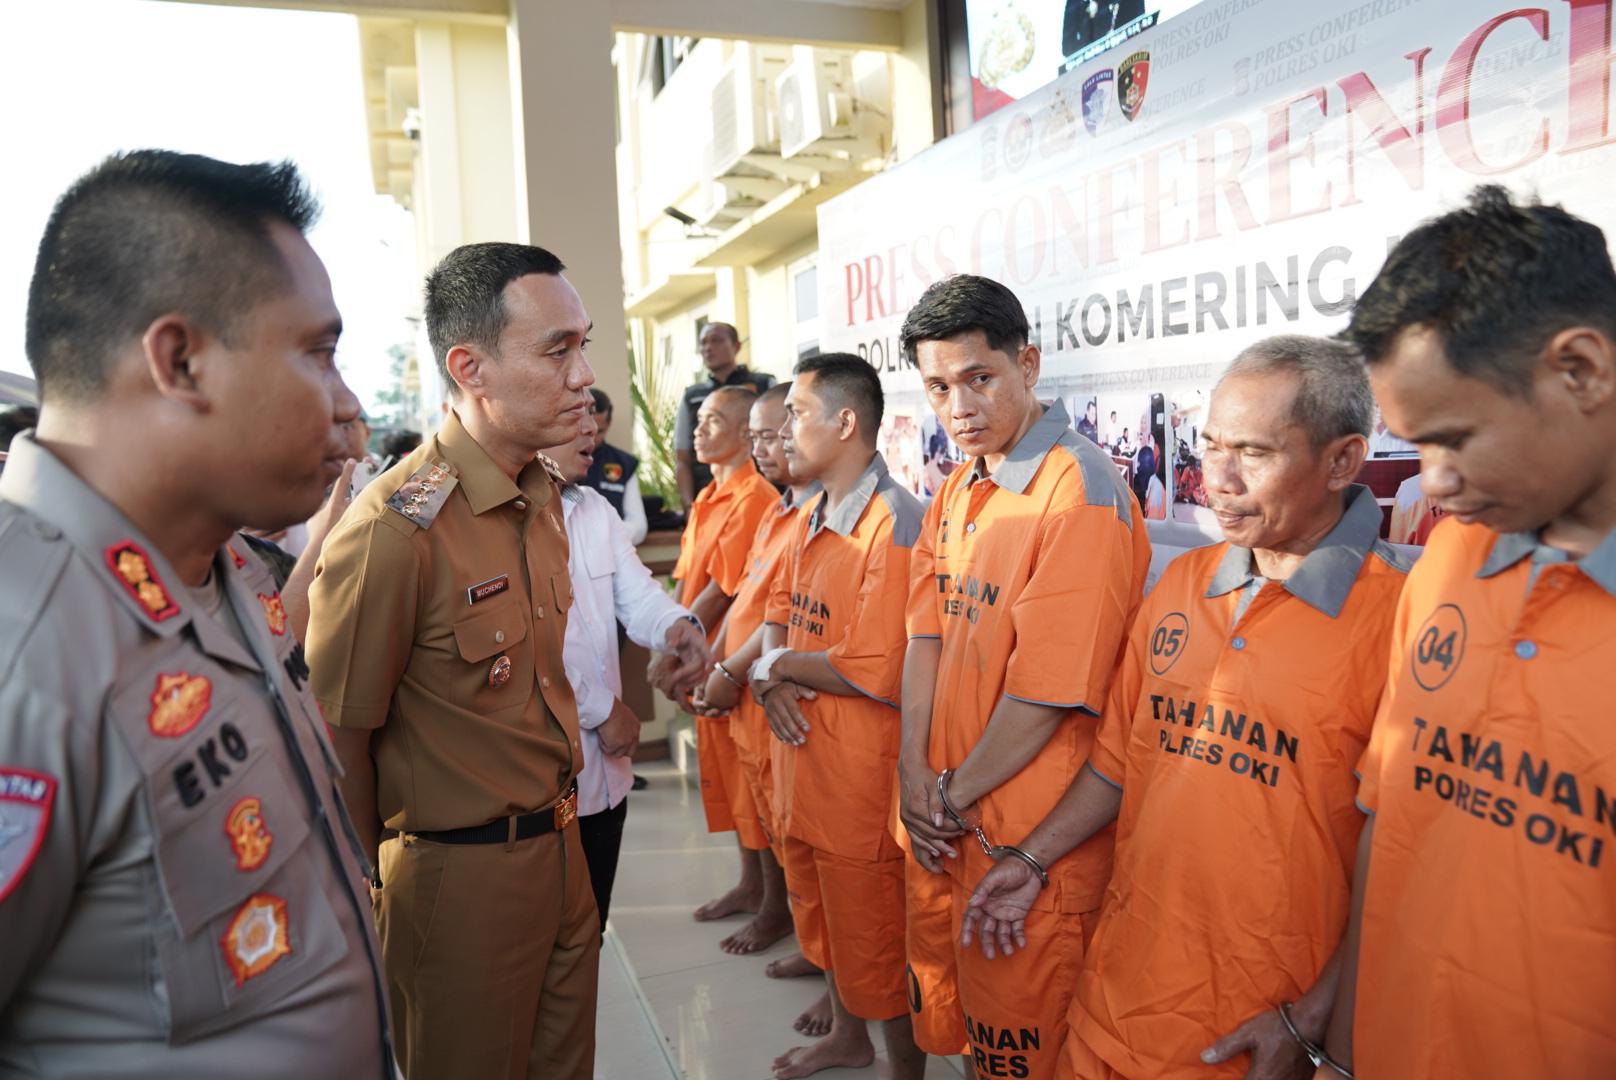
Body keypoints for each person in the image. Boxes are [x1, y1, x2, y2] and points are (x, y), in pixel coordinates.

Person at [0, 150, 392, 1076]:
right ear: (180, 361)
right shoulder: (28, 648)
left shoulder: (230, 569)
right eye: (318, 353)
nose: (347, 403)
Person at [962, 336, 1410, 1080]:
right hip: (1115, 995)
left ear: (1342, 461)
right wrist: (1033, 859)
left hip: (1251, 1029)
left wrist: (1311, 1022)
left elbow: (1403, 862)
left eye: (1254, 454)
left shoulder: (1403, 620)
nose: (1219, 481)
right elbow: (1117, 764)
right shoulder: (1182, 585)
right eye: (1211, 447)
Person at [307, 242, 705, 1080]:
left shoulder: (544, 502)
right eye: (557, 351)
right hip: (456, 883)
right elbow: (339, 741)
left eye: (583, 346)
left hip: (563, 851)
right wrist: (370, 892)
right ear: (471, 368)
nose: (584, 376)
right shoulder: (394, 532)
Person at [1319, 185, 1616, 1078]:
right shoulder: (1449, 562)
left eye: (1454, 438)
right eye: (1416, 445)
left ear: (1581, 370)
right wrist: (1342, 1050)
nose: (1435, 482)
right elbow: (1389, 823)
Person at [895, 274, 1149, 1080]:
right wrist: (911, 769)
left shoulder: (1080, 493)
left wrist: (946, 794)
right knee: (967, 1033)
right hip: (949, 820)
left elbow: (1047, 693)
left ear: (1028, 364)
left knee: (1029, 1055)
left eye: (980, 378)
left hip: (1024, 842)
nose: (960, 407)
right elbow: (925, 634)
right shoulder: (958, 485)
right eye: (939, 388)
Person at [749, 353, 925, 1079]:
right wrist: (770, 674)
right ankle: (848, 1037)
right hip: (804, 765)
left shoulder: (894, 520)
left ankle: (904, 1068)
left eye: (796, 414)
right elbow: (778, 613)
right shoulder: (814, 510)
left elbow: (874, 664)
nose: (784, 431)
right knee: (823, 916)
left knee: (875, 935)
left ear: (846, 422)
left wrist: (779, 669)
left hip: (858, 781)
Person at [691, 383, 827, 1013]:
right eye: (761, 437)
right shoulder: (781, 512)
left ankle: (831, 963)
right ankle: (809, 937)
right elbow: (751, 598)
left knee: (806, 837)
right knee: (773, 823)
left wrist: (729, 668)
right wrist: (715, 662)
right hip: (746, 687)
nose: (769, 448)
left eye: (778, 433)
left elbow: (784, 620)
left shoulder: (810, 512)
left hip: (784, 699)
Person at [545, 410, 707, 931]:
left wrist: (678, 627)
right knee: (545, 944)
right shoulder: (495, 523)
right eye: (571, 416)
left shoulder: (594, 509)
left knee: (589, 928)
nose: (590, 430)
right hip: (541, 786)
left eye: (591, 418)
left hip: (606, 781)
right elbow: (532, 646)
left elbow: (637, 595)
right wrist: (601, 710)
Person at [674, 384, 781, 924]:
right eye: (699, 419)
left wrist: (699, 660)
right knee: (729, 780)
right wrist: (672, 640)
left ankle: (773, 902)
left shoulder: (755, 497)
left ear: (746, 433)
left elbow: (723, 592)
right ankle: (749, 885)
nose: (698, 429)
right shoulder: (707, 496)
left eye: (713, 421)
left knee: (751, 786)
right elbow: (687, 580)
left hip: (728, 659)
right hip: (703, 656)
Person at [675, 321, 775, 507]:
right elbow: (682, 458)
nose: (708, 348)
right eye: (703, 343)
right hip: (708, 498)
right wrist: (690, 505)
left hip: (755, 495)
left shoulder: (763, 385)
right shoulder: (692, 395)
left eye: (716, 340)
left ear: (736, 346)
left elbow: (782, 441)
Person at [582, 387, 648, 544]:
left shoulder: (624, 463)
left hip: (612, 550)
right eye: (587, 432)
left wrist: (607, 535)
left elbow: (638, 525)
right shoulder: (557, 461)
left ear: (609, 423)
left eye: (599, 432)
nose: (592, 439)